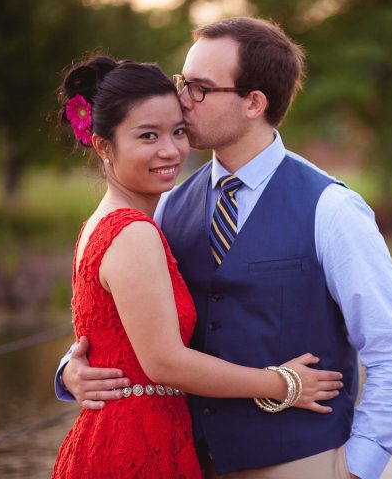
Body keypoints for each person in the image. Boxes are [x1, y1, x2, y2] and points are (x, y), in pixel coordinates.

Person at [56, 17, 392, 479]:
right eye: (182, 83)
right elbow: (128, 314)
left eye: (199, 88)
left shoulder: (331, 208)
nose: (182, 100)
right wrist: (72, 370)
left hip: (301, 461)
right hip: (189, 459)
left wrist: (356, 467)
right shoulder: (168, 205)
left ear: (253, 103)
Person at [51, 56, 343, 479]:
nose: (170, 150)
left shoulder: (108, 222)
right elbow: (165, 362)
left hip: (141, 432)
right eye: (148, 135)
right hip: (137, 445)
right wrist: (284, 384)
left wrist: (68, 371)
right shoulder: (132, 232)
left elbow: (113, 337)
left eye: (178, 131)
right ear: (103, 145)